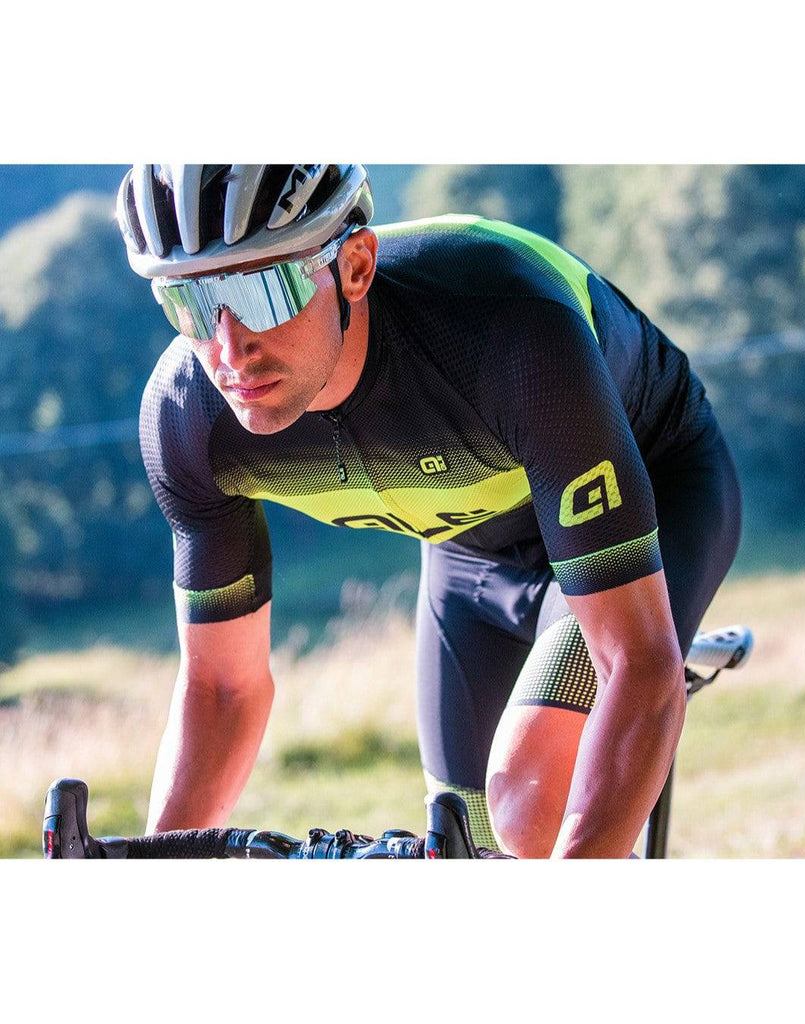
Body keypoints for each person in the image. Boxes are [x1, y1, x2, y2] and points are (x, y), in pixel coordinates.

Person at [118, 163, 742, 858]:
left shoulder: (507, 330)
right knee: (465, 842)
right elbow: (220, 691)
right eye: (190, 302)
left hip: (653, 488)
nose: (229, 348)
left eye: (261, 292)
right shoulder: (187, 418)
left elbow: (636, 663)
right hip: (469, 554)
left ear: (355, 266)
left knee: (528, 804)